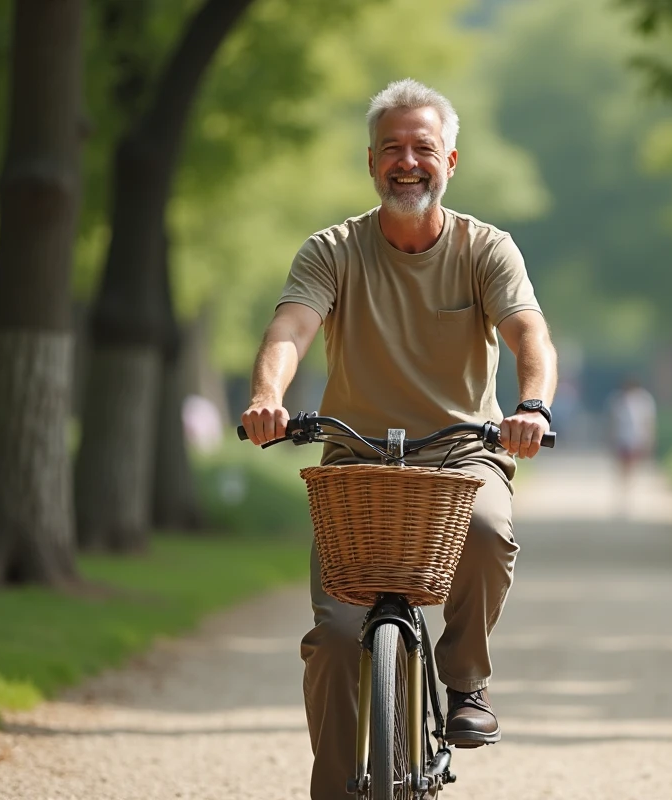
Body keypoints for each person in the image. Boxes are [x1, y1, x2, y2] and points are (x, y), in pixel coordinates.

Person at [239, 78, 558, 800]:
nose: (407, 162)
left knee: (485, 529)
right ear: (371, 162)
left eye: (422, 148)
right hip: (356, 457)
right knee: (338, 641)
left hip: (461, 453)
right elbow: (290, 328)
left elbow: (527, 332)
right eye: (391, 149)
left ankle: (466, 680)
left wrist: (530, 405)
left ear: (450, 159)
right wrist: (268, 398)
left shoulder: (486, 250)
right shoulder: (333, 250)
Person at [605, 377, 657, 516]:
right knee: (623, 468)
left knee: (631, 468)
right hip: (622, 439)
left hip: (637, 439)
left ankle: (628, 494)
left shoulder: (644, 400)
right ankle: (624, 494)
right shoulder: (618, 400)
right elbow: (612, 421)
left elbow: (648, 422)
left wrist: (649, 440)